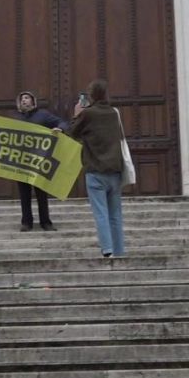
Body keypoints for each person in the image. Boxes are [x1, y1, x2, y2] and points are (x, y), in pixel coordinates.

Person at [68, 79, 126, 258]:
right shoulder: (114, 113)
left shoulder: (88, 114)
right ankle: (119, 250)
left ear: (91, 96)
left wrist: (77, 114)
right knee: (115, 215)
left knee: (101, 213)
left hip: (95, 170)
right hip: (115, 170)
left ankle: (107, 249)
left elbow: (73, 133)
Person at [12, 91, 68, 231]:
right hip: (22, 160)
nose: (24, 100)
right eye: (22, 98)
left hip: (39, 160)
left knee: (41, 194)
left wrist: (59, 128)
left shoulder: (43, 115)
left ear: (33, 101)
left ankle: (46, 222)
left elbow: (62, 122)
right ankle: (26, 222)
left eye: (27, 98)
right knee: (24, 194)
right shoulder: (16, 118)